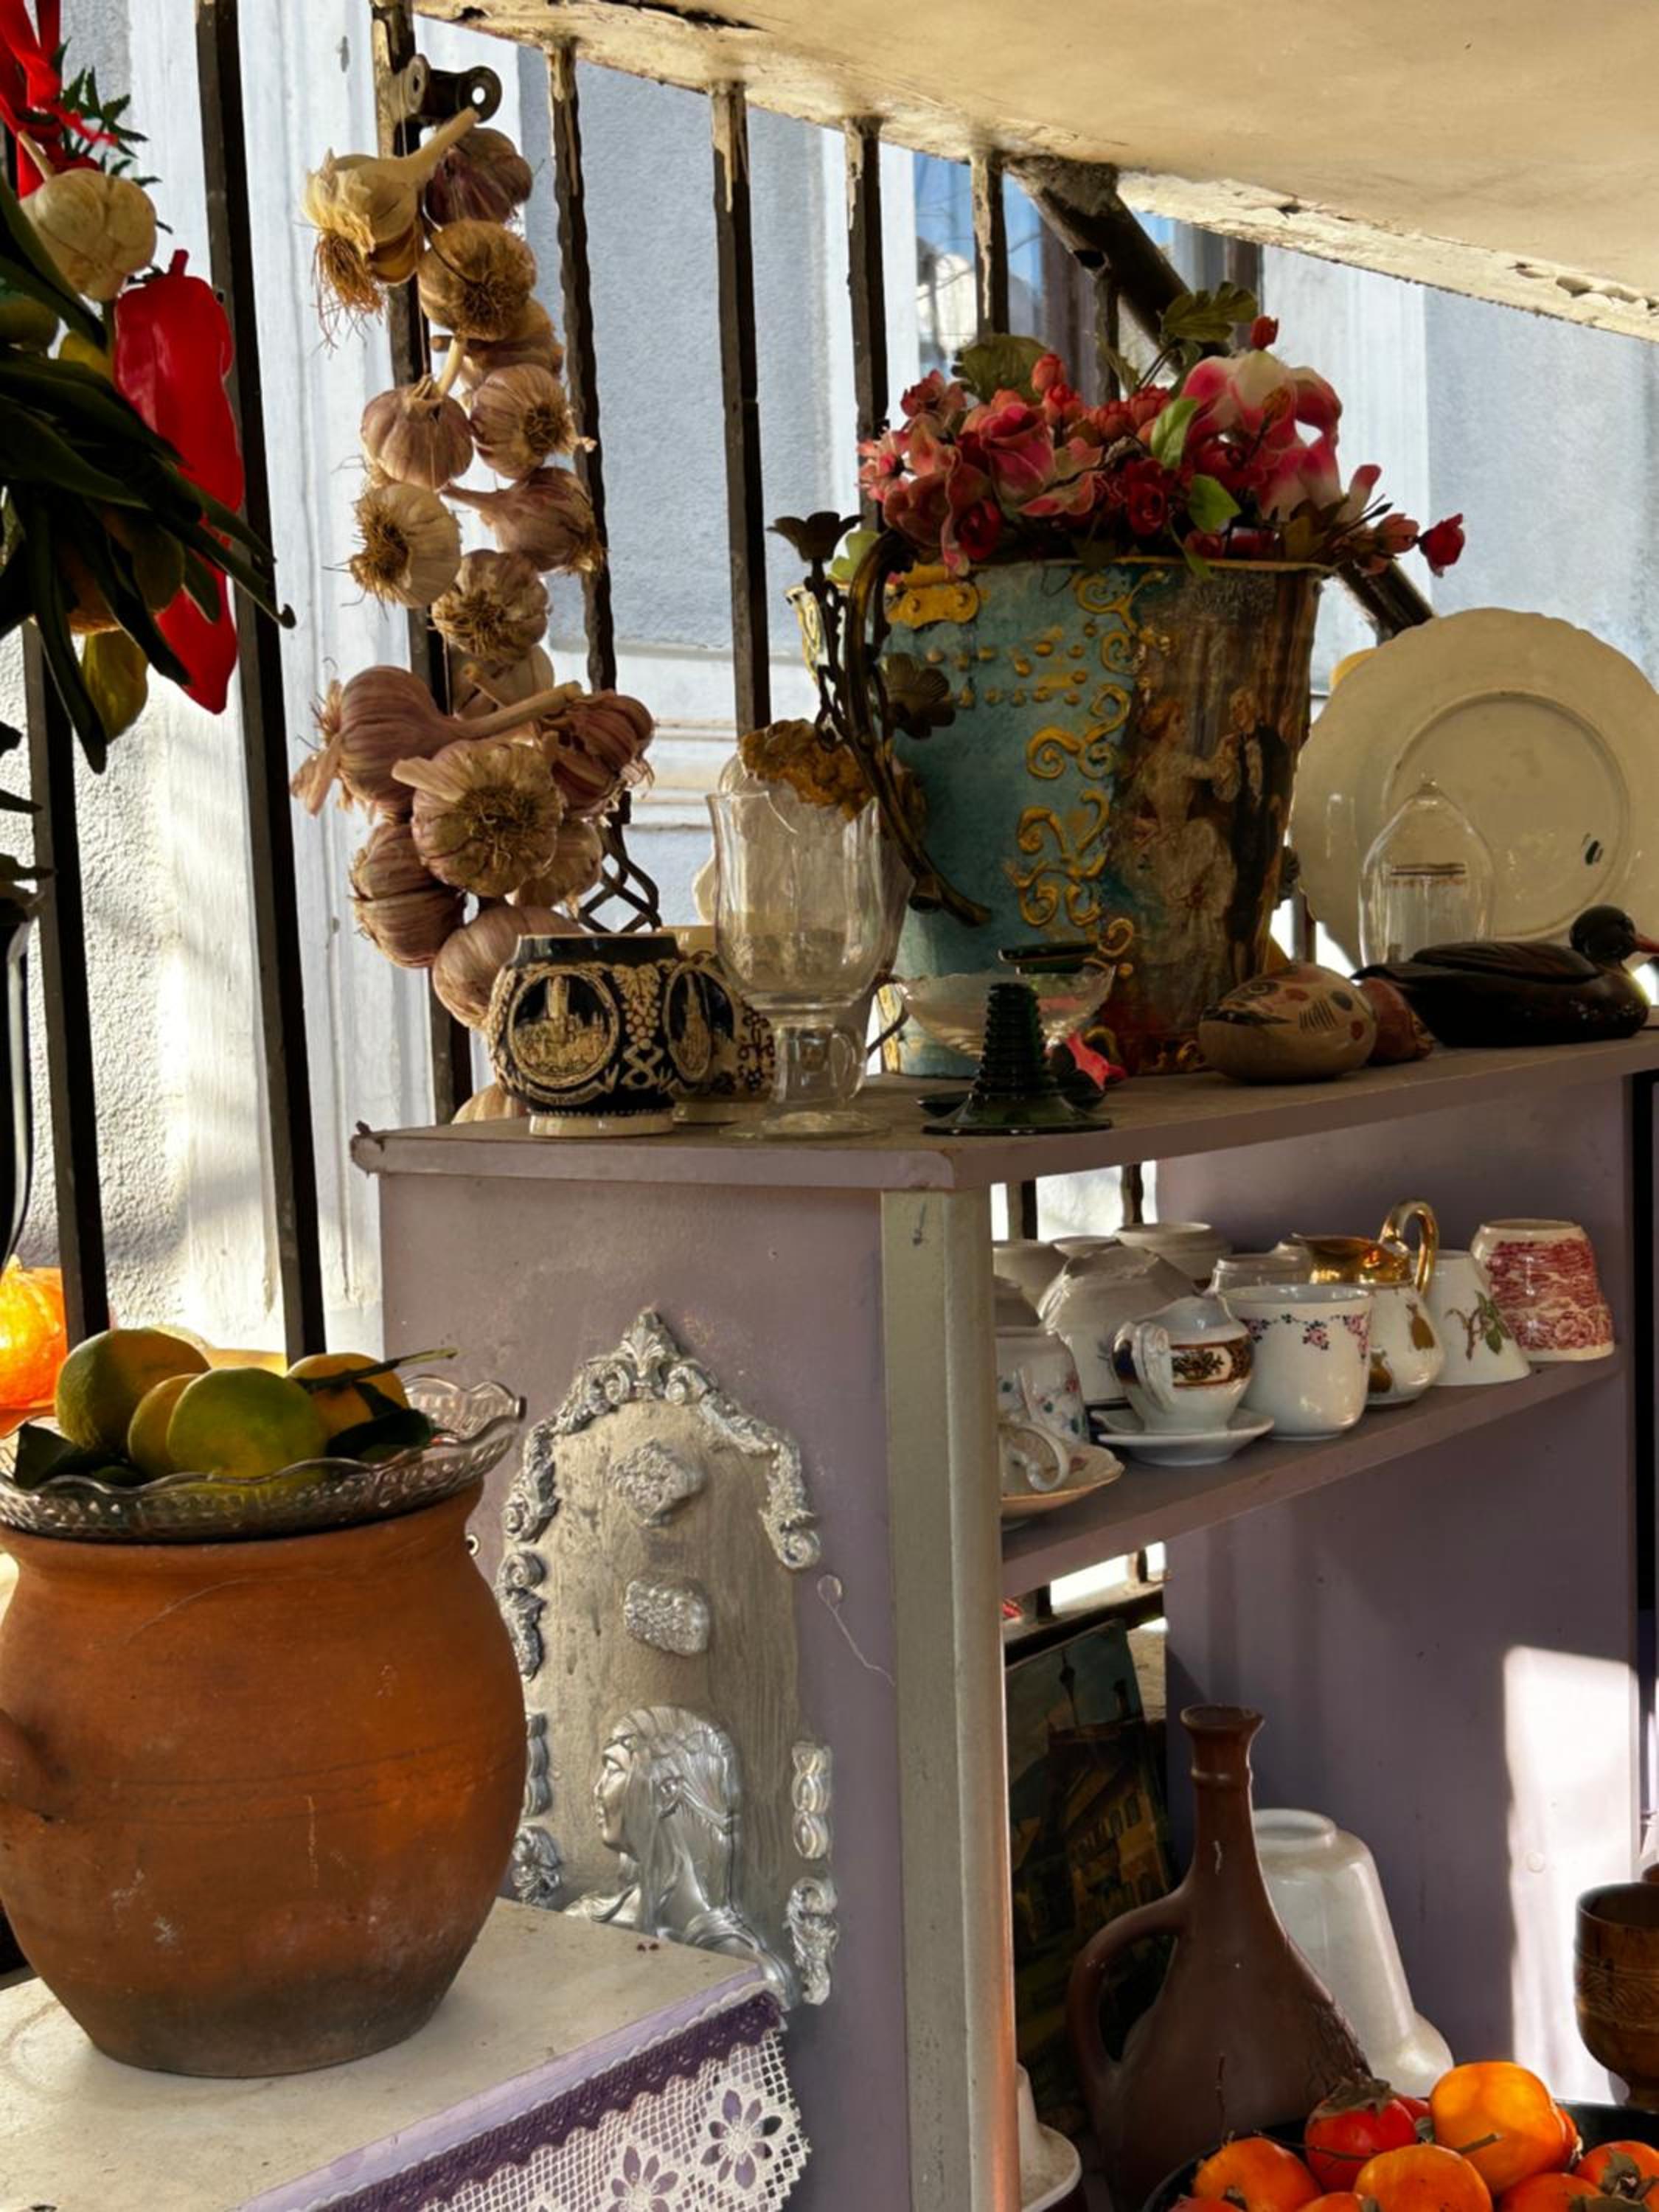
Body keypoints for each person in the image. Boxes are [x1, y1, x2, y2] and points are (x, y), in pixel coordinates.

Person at [571, 1704, 796, 2004]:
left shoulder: (745, 1977)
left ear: (668, 1792)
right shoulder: (584, 1924)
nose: (597, 1790)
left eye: (613, 1770)